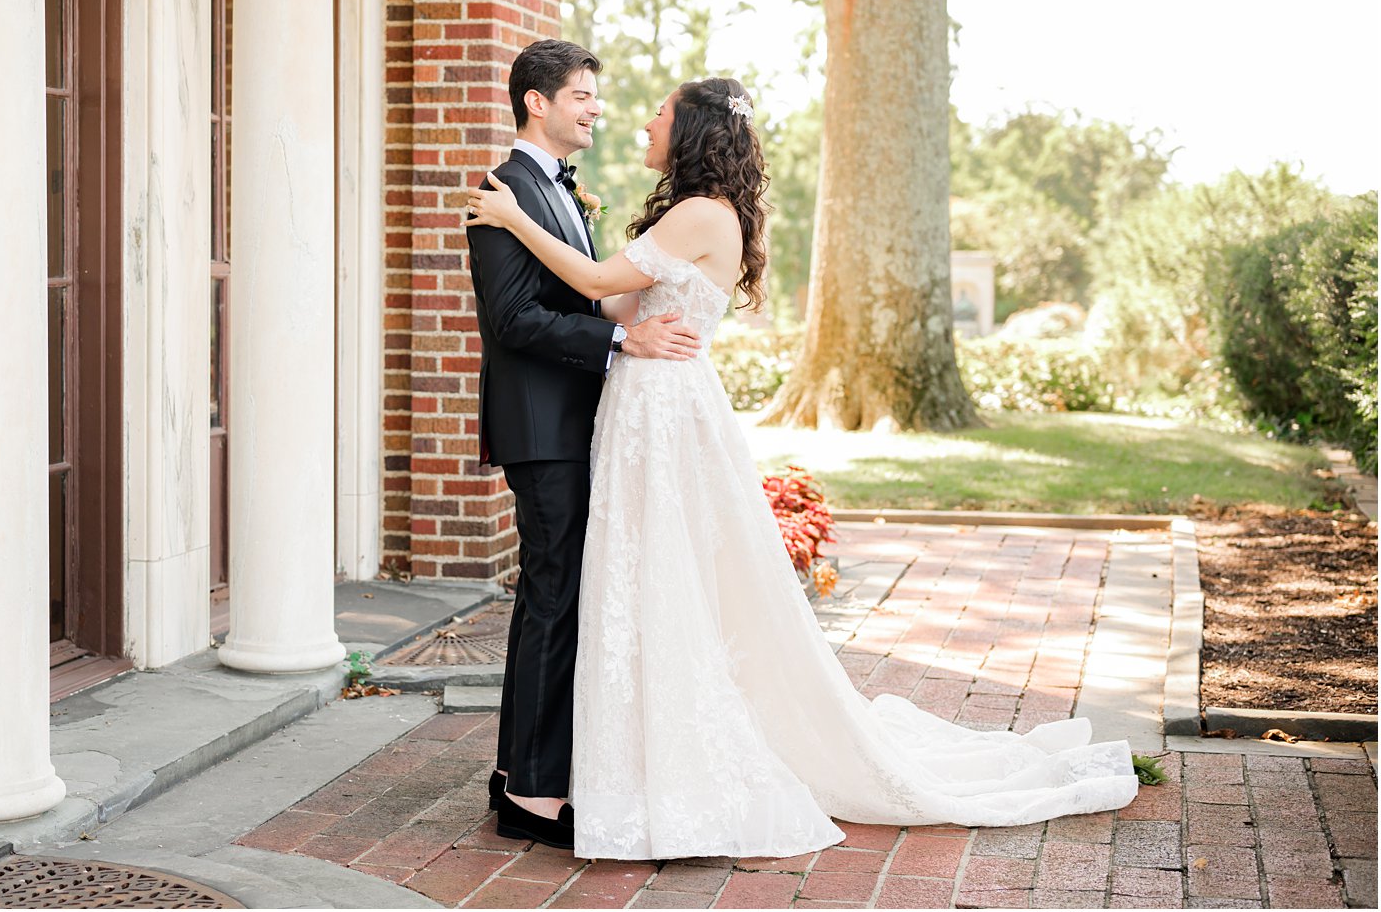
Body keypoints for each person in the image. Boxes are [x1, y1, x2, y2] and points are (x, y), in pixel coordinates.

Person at [464, 75, 1140, 860]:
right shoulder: (696, 213)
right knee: (640, 578)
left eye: (660, 113)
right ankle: (614, 759)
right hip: (642, 403)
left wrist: (516, 219)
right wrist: (596, 302)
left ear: (690, 134)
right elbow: (614, 305)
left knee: (661, 577)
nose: (642, 120)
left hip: (662, 409)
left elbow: (592, 282)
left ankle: (649, 763)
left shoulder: (697, 214)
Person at [463, 39, 703, 850]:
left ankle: (519, 775)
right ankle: (531, 797)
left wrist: (629, 321)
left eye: (596, 96)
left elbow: (576, 290)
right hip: (542, 427)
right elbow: (513, 320)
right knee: (555, 597)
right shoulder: (507, 189)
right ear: (537, 101)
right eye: (582, 95)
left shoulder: (556, 190)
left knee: (550, 597)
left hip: (572, 421)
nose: (596, 108)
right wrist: (618, 347)